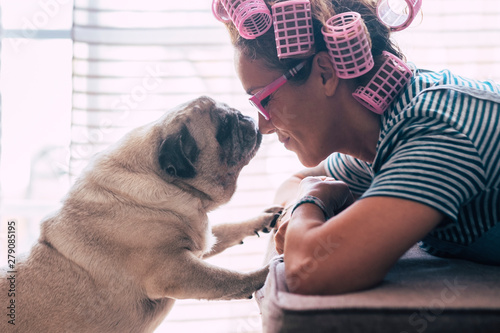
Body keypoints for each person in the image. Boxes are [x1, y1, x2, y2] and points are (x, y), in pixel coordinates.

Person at [221, 0, 500, 295]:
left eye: (263, 99)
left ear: (325, 73)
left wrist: (313, 199)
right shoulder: (379, 135)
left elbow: (309, 269)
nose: (263, 126)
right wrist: (307, 198)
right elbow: (296, 182)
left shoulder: (435, 129)